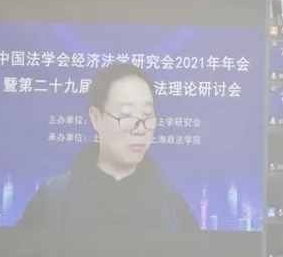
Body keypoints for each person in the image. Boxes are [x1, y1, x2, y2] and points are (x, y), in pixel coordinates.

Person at [17, 63, 199, 241]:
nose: (140, 129)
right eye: (127, 116)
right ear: (96, 118)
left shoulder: (171, 204)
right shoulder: (55, 196)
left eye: (147, 115)